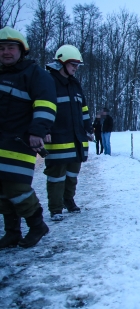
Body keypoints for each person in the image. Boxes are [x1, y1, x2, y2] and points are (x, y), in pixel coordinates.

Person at [0, 26, 56, 248]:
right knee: (2, 190)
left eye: (11, 48)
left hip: (19, 142)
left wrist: (37, 131)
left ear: (21, 51)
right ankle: (12, 232)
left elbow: (46, 104)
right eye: (2, 48)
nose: (6, 52)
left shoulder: (34, 74)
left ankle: (37, 226)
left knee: (17, 188)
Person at [44, 45, 93, 221]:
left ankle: (68, 200)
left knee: (73, 173)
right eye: (73, 64)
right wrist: (45, 129)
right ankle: (55, 208)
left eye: (77, 65)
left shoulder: (75, 84)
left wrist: (88, 127)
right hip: (57, 137)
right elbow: (42, 108)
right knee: (57, 175)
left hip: (76, 137)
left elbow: (84, 109)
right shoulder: (48, 82)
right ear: (61, 62)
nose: (75, 68)